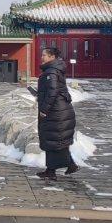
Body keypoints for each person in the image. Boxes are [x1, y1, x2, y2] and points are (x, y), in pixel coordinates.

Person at [35, 46, 77, 180]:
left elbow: (52, 93)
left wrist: (44, 110)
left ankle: (52, 171)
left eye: (44, 55)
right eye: (42, 55)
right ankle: (67, 166)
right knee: (56, 141)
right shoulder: (53, 70)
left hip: (56, 112)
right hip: (59, 111)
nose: (42, 57)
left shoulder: (51, 72)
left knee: (53, 140)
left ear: (52, 57)